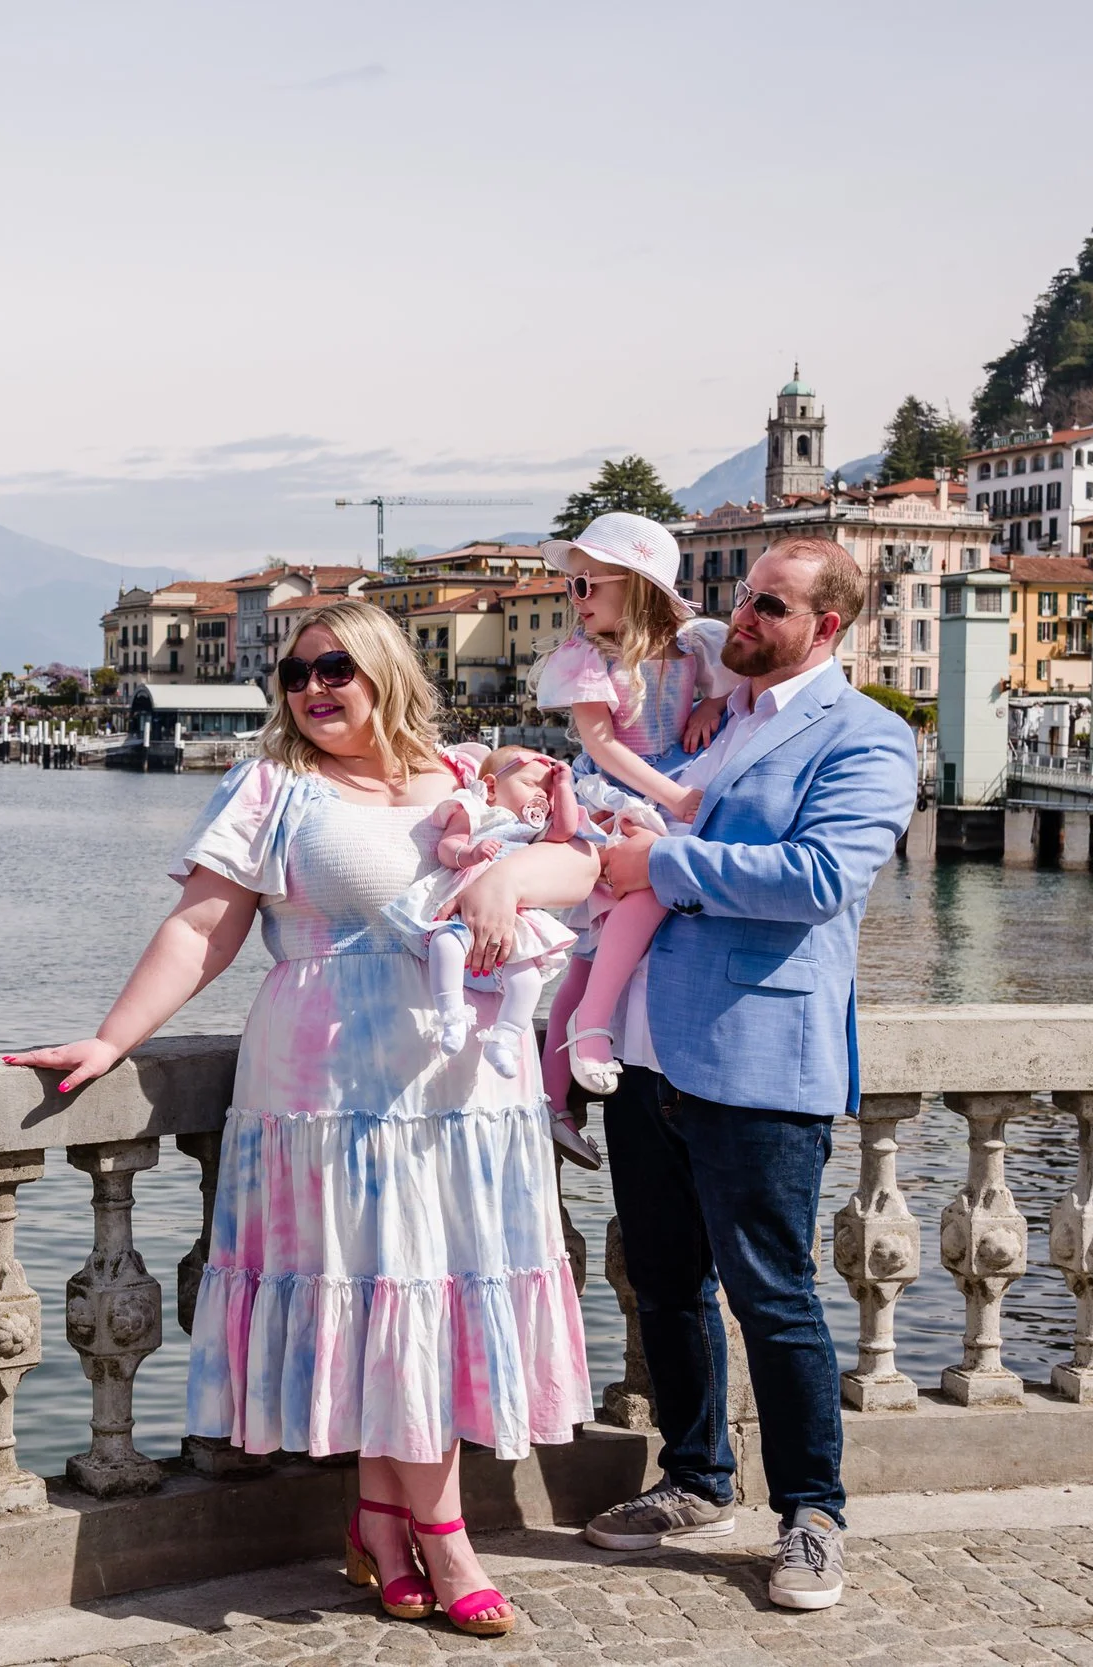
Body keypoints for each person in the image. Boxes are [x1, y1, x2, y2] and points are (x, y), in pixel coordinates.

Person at [5, 600, 599, 1638]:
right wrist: (111, 1039)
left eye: (334, 667)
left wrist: (506, 873)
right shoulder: (275, 787)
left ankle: (378, 1516)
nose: (312, 688)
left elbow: (588, 867)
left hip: (462, 1093)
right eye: (293, 673)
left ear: (383, 669)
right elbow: (202, 928)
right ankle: (444, 1534)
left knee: (424, 1299)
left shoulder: (464, 777)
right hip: (336, 1090)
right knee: (394, 1292)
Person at [574, 536, 917, 1615]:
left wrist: (657, 864)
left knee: (773, 1295)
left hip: (762, 1059)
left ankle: (812, 1513)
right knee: (668, 1281)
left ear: (827, 624)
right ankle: (693, 1478)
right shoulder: (712, 720)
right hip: (646, 1050)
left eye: (768, 604)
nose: (742, 618)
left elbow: (819, 877)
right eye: (740, 598)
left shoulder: (867, 736)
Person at [531, 512, 738, 1127]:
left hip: (668, 781)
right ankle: (590, 1033)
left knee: (591, 955)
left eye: (588, 584)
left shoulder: (692, 645)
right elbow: (603, 746)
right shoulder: (586, 659)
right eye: (574, 586)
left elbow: (729, 682)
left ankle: (552, 1102)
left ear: (638, 586)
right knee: (641, 896)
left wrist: (712, 703)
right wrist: (672, 802)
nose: (577, 598)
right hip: (620, 794)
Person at [379, 746, 579, 1077]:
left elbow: (566, 831)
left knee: (527, 976)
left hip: (510, 921)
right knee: (445, 943)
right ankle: (451, 1014)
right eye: (531, 784)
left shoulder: (534, 830)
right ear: (489, 787)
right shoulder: (474, 810)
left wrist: (564, 787)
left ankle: (507, 1035)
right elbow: (448, 847)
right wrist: (469, 853)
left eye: (546, 791)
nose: (541, 796)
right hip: (462, 910)